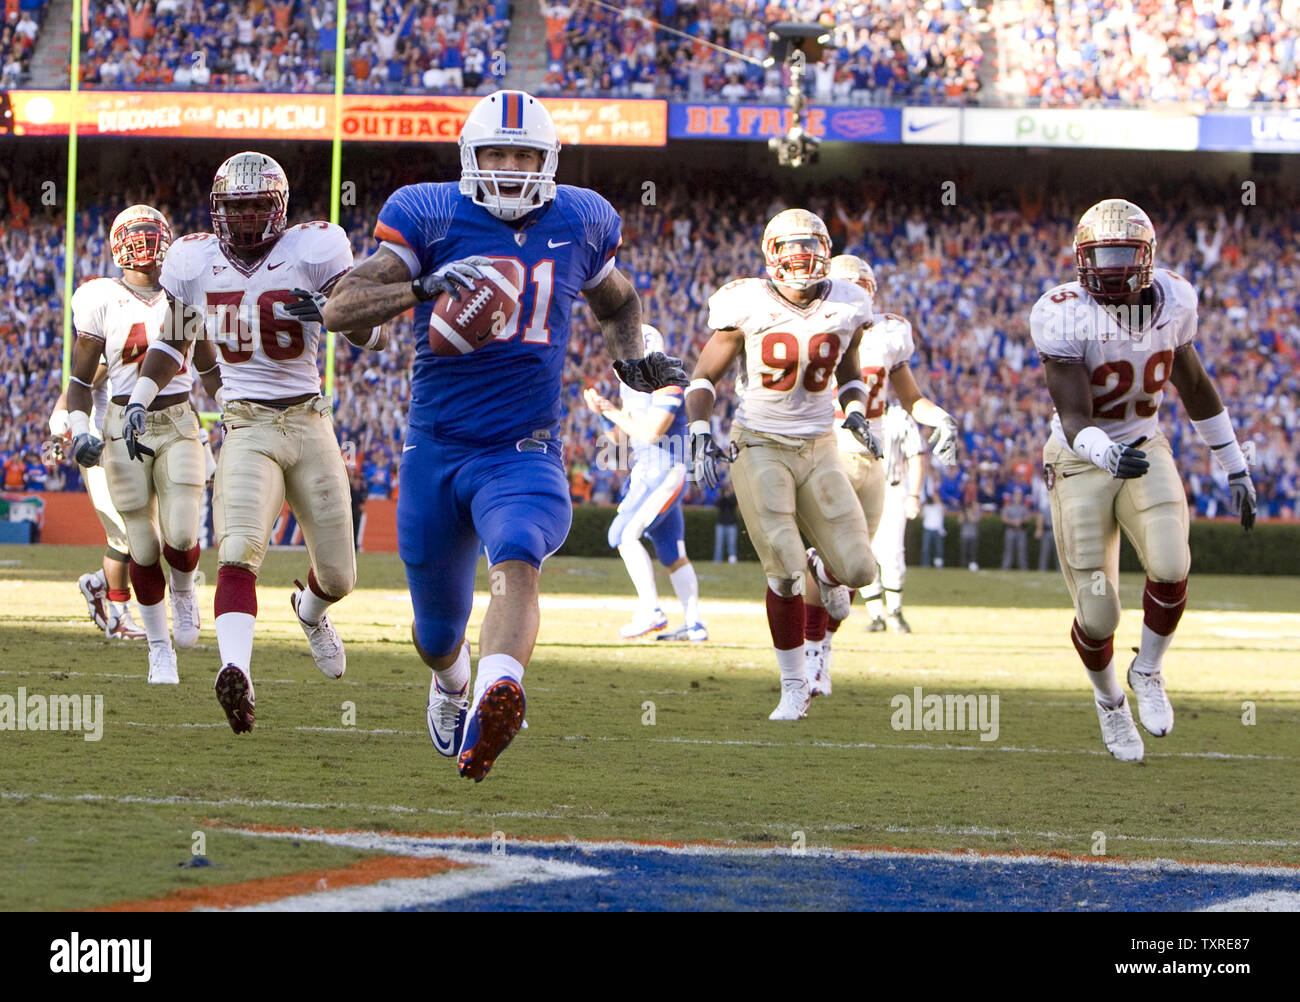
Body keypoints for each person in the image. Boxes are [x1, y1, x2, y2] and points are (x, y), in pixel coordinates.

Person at [320, 90, 684, 781]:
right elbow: (340, 308)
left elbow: (619, 299)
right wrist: (425, 285)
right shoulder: (428, 213)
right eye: (498, 153)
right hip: (437, 446)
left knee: (519, 552)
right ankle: (454, 681)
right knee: (434, 636)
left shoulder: (580, 218)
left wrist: (632, 361)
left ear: (548, 160)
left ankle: (496, 693)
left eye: (525, 154)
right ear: (470, 158)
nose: (513, 167)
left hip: (524, 444)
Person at [128, 152, 383, 732]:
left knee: (340, 576)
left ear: (279, 209)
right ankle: (235, 673)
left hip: (309, 420)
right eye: (235, 207)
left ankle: (310, 612)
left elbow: (375, 335)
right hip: (244, 421)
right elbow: (173, 340)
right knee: (238, 547)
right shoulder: (193, 259)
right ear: (219, 209)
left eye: (255, 206)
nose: (244, 219)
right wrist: (141, 395)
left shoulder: (316, 248)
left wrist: (334, 312)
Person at [1030, 198, 1256, 762]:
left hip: (1143, 443)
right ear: (1081, 257)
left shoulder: (1176, 300)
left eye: (1120, 253)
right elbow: (1074, 416)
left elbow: (1196, 386)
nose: (1108, 267)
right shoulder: (1061, 312)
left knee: (1172, 563)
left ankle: (1148, 669)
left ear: (1146, 256)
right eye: (1098, 254)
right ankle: (1110, 704)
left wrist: (1233, 463)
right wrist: (1104, 453)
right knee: (1098, 612)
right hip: (1081, 457)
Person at [685, 209, 880, 721]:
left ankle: (826, 566)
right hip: (760, 443)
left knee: (861, 569)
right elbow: (704, 376)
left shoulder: (848, 302)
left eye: (810, 251)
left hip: (819, 445)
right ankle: (794, 685)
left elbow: (851, 369)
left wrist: (856, 410)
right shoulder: (745, 301)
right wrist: (701, 430)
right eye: (790, 253)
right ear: (771, 257)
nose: (801, 262)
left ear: (826, 253)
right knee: (787, 571)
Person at [64, 204, 210, 685]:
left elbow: (208, 365)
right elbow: (80, 380)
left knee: (183, 533)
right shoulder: (100, 297)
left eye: (152, 236)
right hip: (122, 424)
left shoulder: (184, 293)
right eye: (137, 236)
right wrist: (81, 427)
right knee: (142, 546)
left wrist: (234, 407)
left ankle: (185, 591)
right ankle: (158, 649)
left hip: (177, 417)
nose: (145, 247)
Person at [818, 256, 957, 655]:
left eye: (862, 288)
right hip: (826, 449)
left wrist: (941, 418)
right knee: (830, 552)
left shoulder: (890, 332)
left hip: (873, 459)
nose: (856, 296)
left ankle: (833, 634)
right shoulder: (813, 329)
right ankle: (812, 650)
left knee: (861, 560)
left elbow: (912, 398)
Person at [583, 324, 705, 642]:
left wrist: (610, 410)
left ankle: (651, 611)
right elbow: (619, 439)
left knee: (623, 534)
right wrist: (600, 412)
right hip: (653, 470)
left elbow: (652, 432)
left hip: (664, 470)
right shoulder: (632, 386)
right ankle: (694, 624)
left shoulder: (667, 379)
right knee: (671, 552)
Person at [48, 377, 147, 640]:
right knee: (123, 536)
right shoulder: (112, 340)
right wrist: (58, 433)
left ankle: (97, 583)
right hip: (101, 446)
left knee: (149, 535)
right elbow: (78, 385)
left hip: (134, 446)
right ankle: (118, 616)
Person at [861, 403, 926, 634]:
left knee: (893, 552)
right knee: (864, 551)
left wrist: (913, 495)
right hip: (861, 487)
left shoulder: (899, 416)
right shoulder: (854, 411)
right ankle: (876, 614)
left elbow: (916, 457)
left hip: (892, 488)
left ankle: (895, 612)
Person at [1000, 486, 1030, 570]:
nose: (1018, 497)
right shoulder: (1008, 507)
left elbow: (1028, 517)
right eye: (1016, 495)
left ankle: (1023, 568)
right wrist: (1013, 522)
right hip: (1010, 530)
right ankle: (1006, 567)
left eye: (1019, 495)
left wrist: (1021, 520)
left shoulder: (1024, 507)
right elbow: (1004, 518)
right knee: (1008, 550)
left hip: (1021, 531)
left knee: (1022, 551)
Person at [714, 476, 738, 563]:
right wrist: (723, 495)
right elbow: (718, 504)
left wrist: (728, 495)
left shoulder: (734, 496)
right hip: (721, 523)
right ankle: (717, 560)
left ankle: (732, 559)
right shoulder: (722, 496)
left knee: (731, 544)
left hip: (731, 523)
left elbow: (733, 503)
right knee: (719, 544)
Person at [921, 495, 946, 568]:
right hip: (928, 529)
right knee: (926, 548)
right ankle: (925, 564)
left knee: (939, 548)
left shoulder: (939, 506)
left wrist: (938, 500)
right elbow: (921, 515)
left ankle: (938, 564)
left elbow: (944, 510)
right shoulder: (926, 507)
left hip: (937, 529)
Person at [960, 499, 981, 571]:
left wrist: (969, 512)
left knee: (973, 552)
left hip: (973, 535)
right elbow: (960, 521)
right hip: (964, 535)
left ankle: (972, 565)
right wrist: (963, 512)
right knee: (964, 552)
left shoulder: (977, 513)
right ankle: (963, 566)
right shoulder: (965, 512)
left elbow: (973, 520)